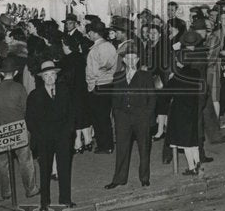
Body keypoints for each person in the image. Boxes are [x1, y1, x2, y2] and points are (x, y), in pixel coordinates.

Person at [0, 54, 39, 201]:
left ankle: (6, 192)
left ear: (1, 73)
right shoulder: (19, 88)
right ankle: (31, 189)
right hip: (19, 128)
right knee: (25, 160)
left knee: (3, 163)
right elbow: (26, 108)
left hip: (1, 131)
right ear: (16, 73)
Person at [25, 59, 75, 210]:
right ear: (42, 77)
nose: (50, 78)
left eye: (52, 74)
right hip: (44, 138)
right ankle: (44, 202)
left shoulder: (64, 91)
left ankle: (65, 199)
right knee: (45, 170)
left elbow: (71, 113)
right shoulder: (35, 95)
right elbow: (30, 119)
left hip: (62, 137)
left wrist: (68, 132)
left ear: (56, 75)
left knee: (64, 168)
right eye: (46, 75)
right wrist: (39, 136)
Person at [105, 43, 156, 189]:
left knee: (144, 148)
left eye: (135, 58)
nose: (132, 61)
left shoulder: (145, 76)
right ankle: (119, 179)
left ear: (138, 60)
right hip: (123, 118)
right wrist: (117, 115)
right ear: (125, 61)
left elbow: (152, 98)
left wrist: (147, 117)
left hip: (141, 118)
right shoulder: (118, 76)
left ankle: (144, 178)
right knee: (122, 148)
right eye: (129, 59)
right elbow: (115, 99)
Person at [165, 51, 204, 174]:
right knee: (193, 140)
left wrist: (170, 79)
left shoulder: (177, 77)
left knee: (185, 142)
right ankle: (198, 164)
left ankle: (191, 168)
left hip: (180, 113)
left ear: (179, 62)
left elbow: (166, 93)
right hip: (193, 110)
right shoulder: (195, 73)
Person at [85, 21, 118, 154]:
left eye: (89, 33)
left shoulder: (95, 50)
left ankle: (104, 145)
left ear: (93, 33)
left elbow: (92, 71)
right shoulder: (110, 46)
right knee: (106, 116)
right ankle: (109, 144)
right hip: (110, 83)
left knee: (98, 118)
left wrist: (91, 86)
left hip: (98, 85)